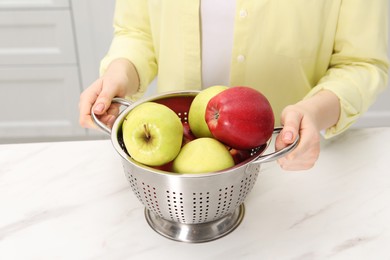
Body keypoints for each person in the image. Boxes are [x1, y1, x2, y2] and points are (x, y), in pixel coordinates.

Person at [79, 0, 389, 171]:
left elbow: (361, 63)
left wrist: (314, 112)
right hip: (175, 164)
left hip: (286, 161)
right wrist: (119, 76)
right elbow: (138, 31)